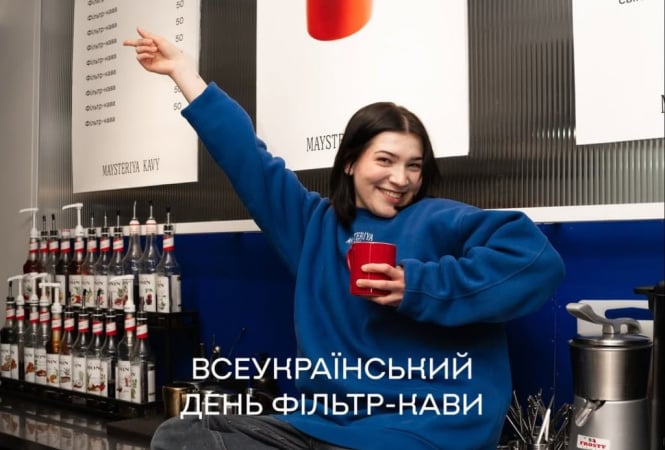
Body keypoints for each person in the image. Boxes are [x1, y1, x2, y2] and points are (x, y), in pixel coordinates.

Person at [124, 28, 565, 450]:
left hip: (423, 428)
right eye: (385, 160)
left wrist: (418, 285)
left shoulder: (440, 219)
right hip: (325, 426)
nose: (401, 178)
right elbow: (246, 158)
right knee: (178, 436)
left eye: (414, 165)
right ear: (351, 162)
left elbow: (536, 261)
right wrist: (183, 71)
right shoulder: (312, 226)